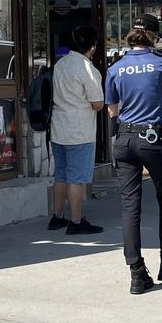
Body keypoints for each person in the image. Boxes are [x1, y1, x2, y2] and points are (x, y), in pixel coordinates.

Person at [105, 14, 162, 295]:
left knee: (130, 207)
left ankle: (137, 273)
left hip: (124, 140)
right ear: (153, 36)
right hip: (152, 138)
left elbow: (112, 111)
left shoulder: (115, 68)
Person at [47, 25, 105, 235]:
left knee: (60, 174)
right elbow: (97, 103)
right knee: (76, 178)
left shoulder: (60, 64)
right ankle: (76, 221)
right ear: (93, 46)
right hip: (79, 130)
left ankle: (57, 217)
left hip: (58, 128)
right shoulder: (87, 68)